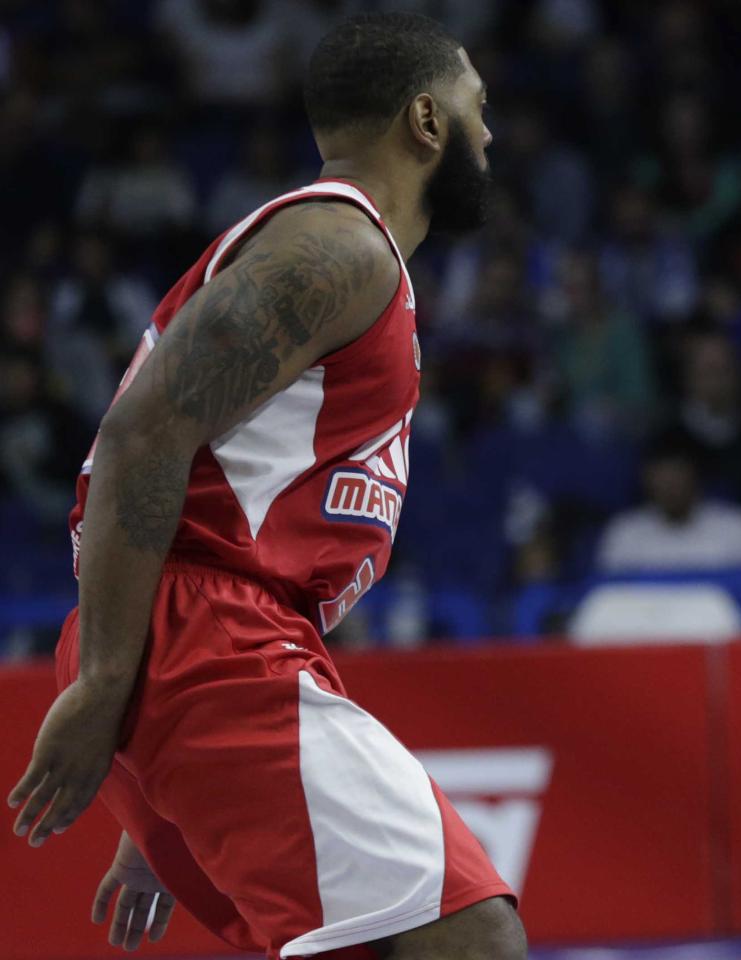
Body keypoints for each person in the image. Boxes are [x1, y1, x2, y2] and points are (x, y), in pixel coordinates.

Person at [7, 14, 526, 959]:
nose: (488, 134)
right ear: (424, 119)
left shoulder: (340, 256)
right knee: (471, 936)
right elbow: (140, 436)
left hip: (200, 648)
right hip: (201, 641)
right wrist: (110, 685)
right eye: (476, 108)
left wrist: (157, 789)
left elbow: (214, 471)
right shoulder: (338, 248)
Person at [596, 440, 741, 573]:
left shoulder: (740, 529)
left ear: (696, 476)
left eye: (677, 474)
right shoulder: (624, 533)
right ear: (647, 480)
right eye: (662, 477)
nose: (670, 486)